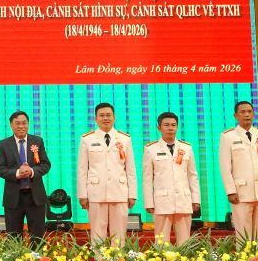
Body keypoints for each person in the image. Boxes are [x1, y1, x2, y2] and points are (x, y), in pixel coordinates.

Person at [218, 100, 258, 239]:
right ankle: (244, 254)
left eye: (249, 111)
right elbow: (225, 167)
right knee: (243, 233)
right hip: (241, 193)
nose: (247, 115)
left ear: (253, 114)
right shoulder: (228, 136)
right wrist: (230, 191)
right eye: (243, 112)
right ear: (236, 115)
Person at [76, 103, 137, 244]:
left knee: (119, 235)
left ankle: (118, 259)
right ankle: (98, 258)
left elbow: (130, 169)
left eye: (108, 115)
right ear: (95, 119)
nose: (105, 118)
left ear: (114, 117)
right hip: (96, 192)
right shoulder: (87, 139)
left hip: (119, 192)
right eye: (102, 115)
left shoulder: (125, 139)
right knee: (97, 234)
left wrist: (132, 194)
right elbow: (82, 169)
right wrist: (82, 195)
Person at [142, 112, 200, 246]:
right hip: (162, 201)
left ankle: (185, 260)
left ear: (177, 127)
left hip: (183, 200)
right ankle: (161, 260)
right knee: (161, 241)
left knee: (185, 241)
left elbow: (192, 175)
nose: (170, 128)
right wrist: (148, 202)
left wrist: (196, 199)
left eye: (173, 125)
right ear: (159, 127)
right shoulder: (151, 149)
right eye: (166, 125)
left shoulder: (186, 148)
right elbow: (147, 178)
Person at [0, 111, 51, 241]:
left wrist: (31, 171)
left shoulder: (37, 141)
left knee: (37, 238)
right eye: (17, 123)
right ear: (11, 125)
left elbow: (46, 164)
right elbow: (0, 169)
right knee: (13, 238)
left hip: (35, 197)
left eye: (24, 123)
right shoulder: (3, 144)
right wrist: (17, 173)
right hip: (13, 198)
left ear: (28, 124)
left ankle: (36, 255)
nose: (21, 126)